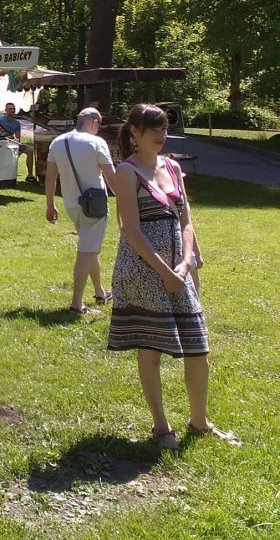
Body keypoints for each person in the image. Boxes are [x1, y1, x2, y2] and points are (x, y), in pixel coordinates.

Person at [107, 103, 238, 449]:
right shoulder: (127, 171)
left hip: (178, 270)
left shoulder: (173, 166)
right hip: (142, 271)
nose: (161, 135)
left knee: (198, 348)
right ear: (134, 132)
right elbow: (132, 230)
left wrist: (186, 261)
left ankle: (200, 422)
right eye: (154, 129)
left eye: (164, 129)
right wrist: (166, 272)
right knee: (151, 348)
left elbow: (186, 221)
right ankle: (161, 427)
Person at [44, 107, 118, 313]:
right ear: (93, 121)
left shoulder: (57, 142)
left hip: (71, 204)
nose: (99, 128)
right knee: (86, 251)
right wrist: (126, 199)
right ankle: (77, 304)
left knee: (89, 247)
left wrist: (50, 204)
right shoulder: (96, 142)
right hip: (94, 206)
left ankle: (100, 292)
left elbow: (50, 177)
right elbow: (112, 179)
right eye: (99, 124)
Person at [0, 102, 33, 182]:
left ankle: (30, 176)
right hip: (0, 143)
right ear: (5, 110)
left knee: (30, 150)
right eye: (10, 109)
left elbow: (18, 138)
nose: (12, 110)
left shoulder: (17, 123)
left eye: (13, 109)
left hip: (12, 143)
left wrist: (17, 145)